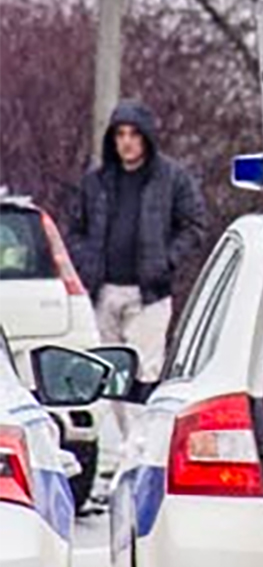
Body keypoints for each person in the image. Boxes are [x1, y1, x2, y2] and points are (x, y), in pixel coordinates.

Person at [66, 101, 209, 395]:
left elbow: (194, 226)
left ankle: (142, 438)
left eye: (134, 134)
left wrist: (165, 261)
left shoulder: (172, 178)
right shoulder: (96, 181)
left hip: (149, 294)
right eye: (120, 134)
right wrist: (87, 261)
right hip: (103, 292)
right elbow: (74, 228)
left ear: (146, 138)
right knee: (106, 374)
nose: (127, 142)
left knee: (145, 370)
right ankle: (119, 439)